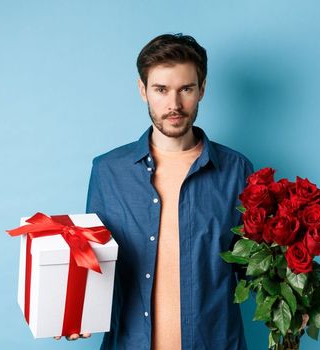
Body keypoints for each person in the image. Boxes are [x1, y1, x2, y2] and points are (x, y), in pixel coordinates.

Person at [57, 33, 253, 349]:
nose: (174, 105)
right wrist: (73, 314)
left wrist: (295, 297)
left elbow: (254, 267)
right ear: (143, 90)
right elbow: (92, 259)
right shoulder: (109, 171)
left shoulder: (237, 170)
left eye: (185, 89)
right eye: (161, 90)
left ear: (202, 89)